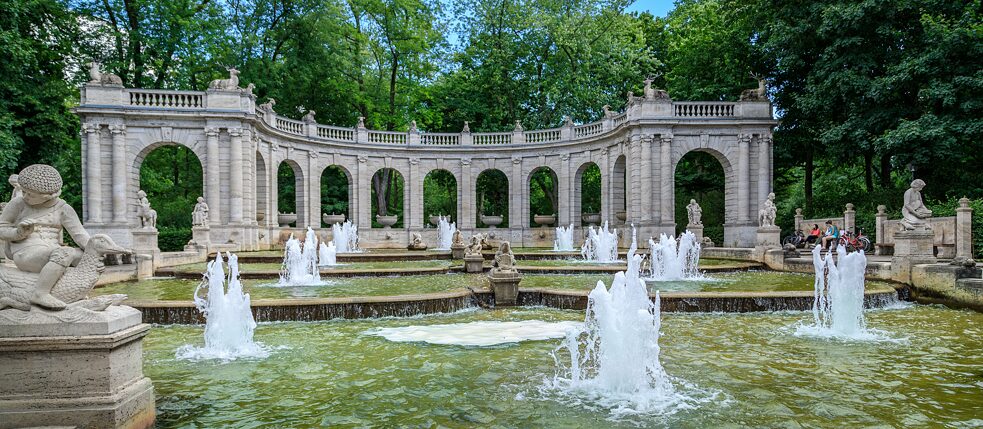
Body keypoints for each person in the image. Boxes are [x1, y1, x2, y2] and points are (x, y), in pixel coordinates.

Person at [0, 165, 90, 309]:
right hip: (26, 252)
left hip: (52, 251)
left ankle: (76, 292)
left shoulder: (63, 208)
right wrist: (19, 233)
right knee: (65, 252)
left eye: (31, 194)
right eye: (23, 191)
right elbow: (2, 228)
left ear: (50, 195)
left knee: (86, 257)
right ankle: (40, 293)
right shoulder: (18, 203)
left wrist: (95, 250)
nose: (25, 196)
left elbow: (80, 235)